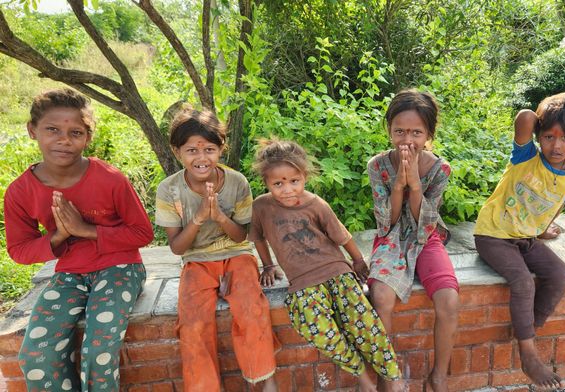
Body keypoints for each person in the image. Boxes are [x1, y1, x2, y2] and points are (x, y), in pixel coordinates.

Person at [4, 88, 153, 391]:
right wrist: (59, 235)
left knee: (98, 352)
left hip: (120, 267)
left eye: (75, 132)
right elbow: (19, 250)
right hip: (70, 274)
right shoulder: (20, 191)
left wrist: (86, 230)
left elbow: (143, 233)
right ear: (32, 131)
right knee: (36, 354)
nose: (64, 139)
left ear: (87, 137)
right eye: (53, 130)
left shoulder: (110, 179)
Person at [250, 139, 404, 392]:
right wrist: (267, 266)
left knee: (364, 324)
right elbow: (257, 236)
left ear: (304, 177)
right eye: (278, 184)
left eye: (294, 181)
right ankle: (362, 374)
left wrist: (357, 260)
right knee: (316, 326)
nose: (287, 189)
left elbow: (341, 236)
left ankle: (393, 377)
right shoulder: (261, 207)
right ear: (266, 182)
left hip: (336, 271)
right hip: (303, 282)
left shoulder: (316, 204)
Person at [155, 109, 278, 392]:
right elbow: (177, 248)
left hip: (237, 254)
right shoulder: (169, 190)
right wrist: (198, 217)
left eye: (209, 149)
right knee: (193, 322)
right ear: (177, 152)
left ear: (221, 148)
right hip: (197, 260)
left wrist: (220, 216)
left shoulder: (236, 183)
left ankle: (264, 379)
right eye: (192, 150)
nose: (201, 158)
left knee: (251, 306)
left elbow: (242, 234)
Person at [474, 92, 565, 390]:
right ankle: (528, 355)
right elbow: (525, 117)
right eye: (549, 136)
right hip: (493, 235)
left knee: (561, 274)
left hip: (526, 237)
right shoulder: (525, 157)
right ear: (539, 136)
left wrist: (542, 229)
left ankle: (528, 330)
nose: (557, 145)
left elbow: (558, 203)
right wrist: (542, 118)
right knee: (523, 281)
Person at [366, 89, 459, 392]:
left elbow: (427, 225)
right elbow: (386, 223)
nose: (408, 140)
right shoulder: (378, 166)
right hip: (391, 237)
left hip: (425, 237)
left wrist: (415, 185)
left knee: (448, 299)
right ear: (389, 130)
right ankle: (387, 375)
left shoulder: (440, 169)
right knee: (380, 296)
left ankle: (438, 378)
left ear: (429, 134)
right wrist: (398, 186)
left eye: (417, 132)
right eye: (400, 131)